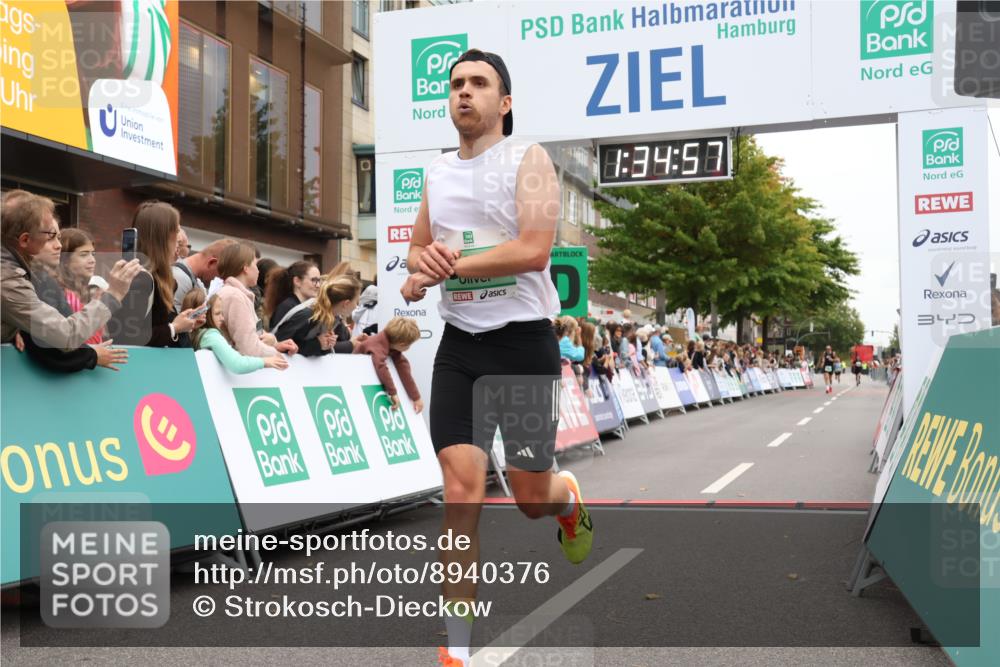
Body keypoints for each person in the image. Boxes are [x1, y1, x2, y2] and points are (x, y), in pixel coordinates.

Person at [397, 48, 591, 667]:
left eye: (479, 83)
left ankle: (567, 500)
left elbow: (534, 250)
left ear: (503, 102)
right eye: (456, 83)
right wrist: (419, 270)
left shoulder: (526, 159)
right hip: (461, 347)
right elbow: (417, 251)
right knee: (461, 492)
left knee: (531, 498)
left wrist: (450, 266)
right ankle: (455, 653)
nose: (464, 92)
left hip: (522, 343)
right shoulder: (437, 172)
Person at [2, 190, 140, 351]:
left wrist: (15, 329)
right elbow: (66, 335)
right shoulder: (8, 280)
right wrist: (113, 294)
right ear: (25, 240)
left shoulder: (14, 270)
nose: (59, 246)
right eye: (50, 236)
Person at [106, 201, 205, 347]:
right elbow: (126, 337)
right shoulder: (140, 279)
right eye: (176, 230)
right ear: (163, 237)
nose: (179, 238)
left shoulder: (156, 277)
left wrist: (182, 324)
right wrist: (174, 328)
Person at [216, 242, 298, 358]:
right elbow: (248, 348)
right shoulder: (235, 296)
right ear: (245, 268)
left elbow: (256, 335)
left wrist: (276, 344)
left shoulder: (238, 294)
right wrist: (277, 354)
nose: (258, 270)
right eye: (255, 265)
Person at [193, 295, 288, 374]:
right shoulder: (210, 335)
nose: (222, 318)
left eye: (222, 313)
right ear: (205, 315)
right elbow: (237, 364)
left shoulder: (203, 334)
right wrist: (265, 361)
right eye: (217, 314)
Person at [273, 274, 363, 356]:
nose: (357, 306)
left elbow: (315, 349)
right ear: (346, 303)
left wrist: (327, 345)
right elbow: (279, 345)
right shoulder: (308, 314)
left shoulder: (332, 317)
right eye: (356, 301)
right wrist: (318, 344)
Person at [353, 316, 423, 412]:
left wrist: (416, 397)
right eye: (409, 345)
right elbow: (381, 366)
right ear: (402, 344)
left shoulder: (392, 347)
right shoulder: (377, 344)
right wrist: (393, 393)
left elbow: (403, 368)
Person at [59, 228, 104, 345]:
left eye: (93, 254)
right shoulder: (60, 293)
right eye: (84, 255)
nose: (92, 260)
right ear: (65, 260)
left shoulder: (92, 290)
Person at [172, 237, 236, 312]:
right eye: (222, 275)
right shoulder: (180, 278)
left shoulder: (197, 283)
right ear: (212, 263)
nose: (222, 281)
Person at [265, 260, 321, 331]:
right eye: (314, 280)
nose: (318, 285)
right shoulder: (287, 307)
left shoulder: (301, 306)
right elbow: (281, 336)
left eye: (319, 281)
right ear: (297, 281)